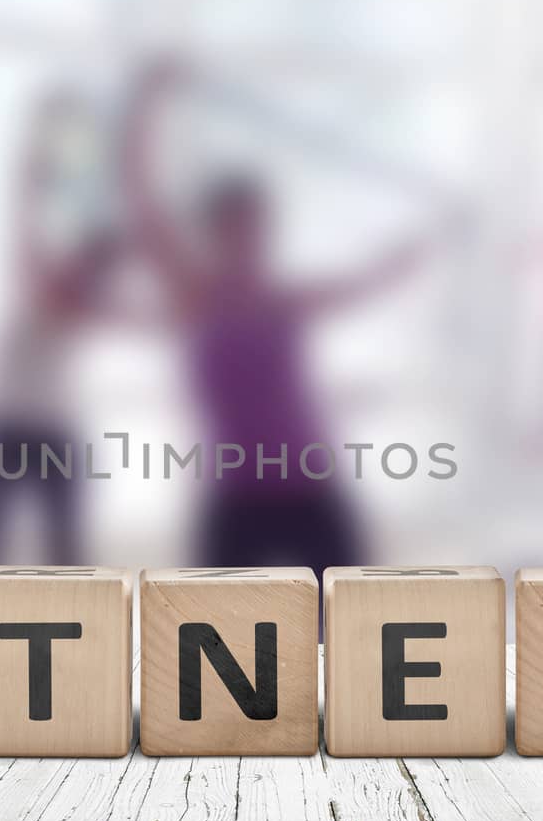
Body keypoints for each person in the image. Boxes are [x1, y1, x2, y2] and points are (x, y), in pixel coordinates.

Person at [121, 58, 446, 570]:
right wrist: (147, 103)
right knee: (219, 638)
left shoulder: (283, 298)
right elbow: (140, 197)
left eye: (257, 225)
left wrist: (427, 241)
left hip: (310, 487)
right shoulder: (195, 293)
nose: (249, 236)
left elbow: (366, 281)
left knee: (345, 623)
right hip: (236, 498)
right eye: (238, 224)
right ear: (216, 229)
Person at [0, 88, 121, 564]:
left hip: (53, 433)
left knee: (67, 553)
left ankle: (79, 631)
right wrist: (41, 134)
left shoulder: (86, 303)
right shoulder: (40, 274)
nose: (80, 267)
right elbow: (24, 203)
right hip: (3, 426)